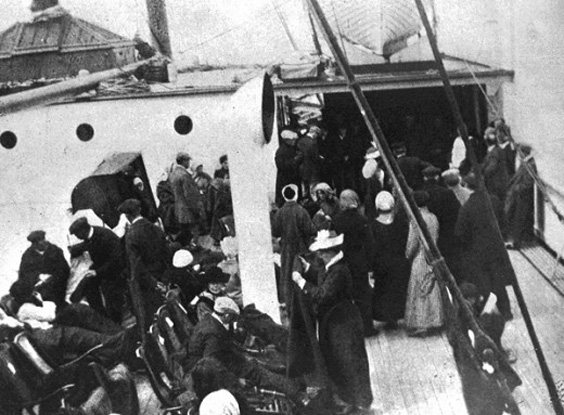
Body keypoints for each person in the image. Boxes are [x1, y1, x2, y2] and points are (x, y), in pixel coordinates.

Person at [291, 230, 373, 412]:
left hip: (343, 323)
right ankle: (348, 399)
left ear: (329, 252)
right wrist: (308, 269)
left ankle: (355, 402)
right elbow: (323, 278)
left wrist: (302, 282)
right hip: (336, 321)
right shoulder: (333, 267)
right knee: (339, 359)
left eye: (321, 252)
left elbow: (323, 295)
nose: (319, 256)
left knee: (347, 361)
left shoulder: (339, 271)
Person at [187, 297, 303, 403]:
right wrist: (236, 380)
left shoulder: (209, 321)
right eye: (233, 317)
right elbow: (212, 366)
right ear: (226, 316)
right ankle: (297, 394)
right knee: (260, 372)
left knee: (262, 365)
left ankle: (293, 386)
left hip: (224, 360)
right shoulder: (213, 334)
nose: (234, 321)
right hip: (221, 369)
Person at [455, 174, 514, 320]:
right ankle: (506, 311)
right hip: (496, 249)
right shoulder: (494, 200)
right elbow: (504, 223)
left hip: (477, 252)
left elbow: (460, 233)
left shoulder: (467, 207)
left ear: (467, 186)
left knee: (484, 283)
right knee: (498, 281)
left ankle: (487, 314)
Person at [118, 198, 169, 329]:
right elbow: (166, 254)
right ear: (139, 210)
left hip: (147, 283)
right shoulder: (155, 228)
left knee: (152, 317)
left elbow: (137, 266)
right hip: (163, 275)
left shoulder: (131, 236)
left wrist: (153, 283)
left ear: (127, 216)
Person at [332, 189, 377, 336]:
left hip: (342, 260)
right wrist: (370, 264)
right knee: (362, 295)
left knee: (344, 296)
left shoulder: (336, 220)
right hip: (358, 261)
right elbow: (369, 243)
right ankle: (367, 328)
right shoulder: (362, 219)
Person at [68, 217, 126, 323]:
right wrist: (72, 250)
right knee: (87, 283)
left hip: (115, 270)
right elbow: (86, 245)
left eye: (77, 234)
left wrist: (97, 272)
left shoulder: (105, 236)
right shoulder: (91, 234)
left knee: (111, 297)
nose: (76, 237)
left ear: (83, 231)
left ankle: (116, 324)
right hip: (102, 268)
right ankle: (99, 316)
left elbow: (117, 260)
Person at [271, 184, 317, 313]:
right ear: (296, 195)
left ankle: (290, 305)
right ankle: (304, 306)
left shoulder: (279, 213)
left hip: (286, 249)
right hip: (301, 248)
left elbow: (275, 232)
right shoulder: (301, 211)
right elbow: (311, 230)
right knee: (302, 274)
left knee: (287, 277)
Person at [404, 191, 444, 336]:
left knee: (420, 289)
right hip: (432, 256)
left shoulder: (415, 220)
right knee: (431, 287)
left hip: (420, 256)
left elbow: (412, 243)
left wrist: (408, 254)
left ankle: (421, 324)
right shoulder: (433, 217)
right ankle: (435, 320)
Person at [370, 191, 411, 329]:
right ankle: (397, 316)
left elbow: (373, 247)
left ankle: (387, 317)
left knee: (384, 291)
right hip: (398, 262)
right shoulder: (400, 223)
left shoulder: (374, 225)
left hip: (382, 264)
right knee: (397, 290)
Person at [18, 230, 70, 309]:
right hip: (38, 289)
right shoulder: (27, 256)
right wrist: (38, 276)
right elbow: (23, 275)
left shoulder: (55, 250)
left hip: (57, 286)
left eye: (43, 238)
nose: (44, 242)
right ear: (34, 244)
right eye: (40, 240)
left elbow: (65, 269)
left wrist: (52, 277)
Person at [169, 152, 206, 246]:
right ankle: (195, 248)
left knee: (186, 234)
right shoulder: (184, 175)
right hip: (188, 210)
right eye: (188, 160)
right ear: (183, 161)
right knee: (194, 233)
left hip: (179, 210)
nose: (189, 163)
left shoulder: (173, 174)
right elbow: (190, 196)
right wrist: (197, 210)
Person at [504, 145, 535, 249]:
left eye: (520, 153)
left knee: (518, 219)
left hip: (522, 198)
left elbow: (528, 183)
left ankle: (515, 242)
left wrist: (516, 188)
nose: (518, 156)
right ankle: (512, 240)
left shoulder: (530, 165)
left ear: (524, 153)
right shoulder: (525, 163)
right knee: (514, 218)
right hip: (517, 196)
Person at [275, 129, 304, 207]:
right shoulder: (281, 151)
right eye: (293, 140)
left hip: (292, 178)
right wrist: (294, 161)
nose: (294, 141)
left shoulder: (293, 148)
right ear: (287, 140)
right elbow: (281, 165)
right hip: (286, 179)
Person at [482, 127, 509, 202]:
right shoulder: (497, 150)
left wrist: (482, 173)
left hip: (495, 185)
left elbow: (492, 167)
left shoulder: (495, 152)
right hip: (500, 184)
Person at [297, 125, 322, 199]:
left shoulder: (300, 141)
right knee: (313, 188)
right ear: (315, 133)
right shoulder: (312, 143)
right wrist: (320, 158)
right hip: (311, 169)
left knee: (305, 188)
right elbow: (315, 157)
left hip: (302, 168)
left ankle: (306, 200)